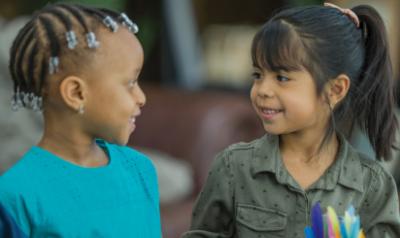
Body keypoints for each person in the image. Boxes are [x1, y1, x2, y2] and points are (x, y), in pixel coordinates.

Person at [183, 3, 400, 237]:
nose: (262, 89)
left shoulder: (372, 185)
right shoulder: (232, 168)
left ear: (335, 89)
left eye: (282, 77)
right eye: (257, 75)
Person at [0, 3, 161, 237]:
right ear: (76, 93)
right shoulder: (16, 195)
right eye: (130, 83)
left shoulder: (140, 170)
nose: (142, 98)